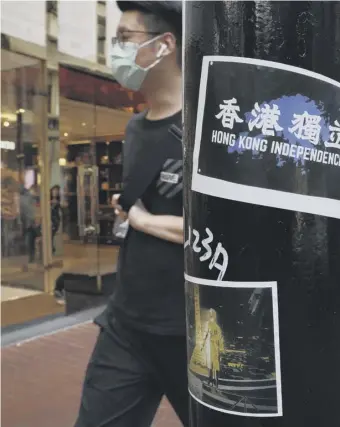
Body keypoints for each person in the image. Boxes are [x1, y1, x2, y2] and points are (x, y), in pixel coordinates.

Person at [74, 2, 189, 427]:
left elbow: (224, 229)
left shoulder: (209, 124)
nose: (116, 50)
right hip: (126, 323)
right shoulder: (135, 128)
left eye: (125, 39)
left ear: (164, 45)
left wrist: (142, 221)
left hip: (190, 331)